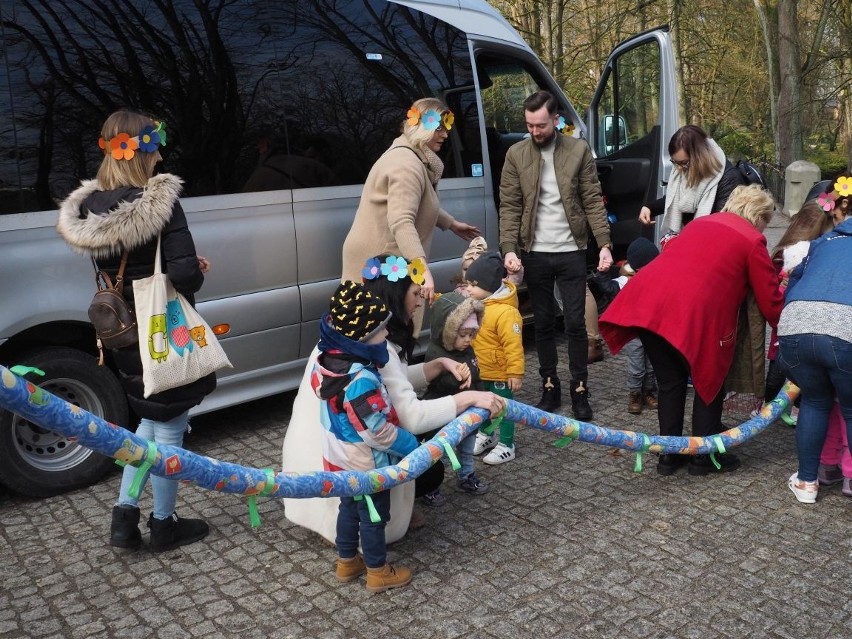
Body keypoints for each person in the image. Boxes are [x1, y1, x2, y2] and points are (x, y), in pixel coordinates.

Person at [57, 109, 214, 551]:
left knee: (149, 419)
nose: (160, 153)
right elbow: (184, 277)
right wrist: (194, 269)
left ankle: (124, 516)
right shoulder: (159, 201)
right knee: (169, 430)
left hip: (121, 329)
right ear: (137, 150)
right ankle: (164, 523)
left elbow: (126, 266)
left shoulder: (90, 208)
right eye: (154, 144)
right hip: (163, 329)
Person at [281, 254, 503, 544]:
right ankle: (369, 545)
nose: (420, 301)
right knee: (428, 466)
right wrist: (472, 398)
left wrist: (434, 366)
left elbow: (388, 381)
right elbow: (411, 415)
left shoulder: (352, 331)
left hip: (322, 454)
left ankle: (347, 531)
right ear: (395, 296)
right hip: (349, 461)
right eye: (414, 293)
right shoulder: (377, 343)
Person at [599, 185, 783, 476]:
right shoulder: (752, 239)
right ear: (758, 215)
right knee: (709, 383)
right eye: (767, 220)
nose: (765, 227)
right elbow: (770, 298)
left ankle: (669, 457)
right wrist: (789, 326)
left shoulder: (701, 223)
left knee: (670, 383)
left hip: (650, 306)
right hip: (693, 316)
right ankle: (703, 458)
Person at [499, 90, 613, 419]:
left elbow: (593, 200)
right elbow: (509, 206)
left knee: (575, 323)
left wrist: (604, 243)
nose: (535, 131)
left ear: (555, 119)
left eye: (541, 125)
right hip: (533, 253)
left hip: (572, 252)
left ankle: (580, 388)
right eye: (529, 125)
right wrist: (509, 248)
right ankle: (550, 385)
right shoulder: (515, 155)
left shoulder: (578, 151)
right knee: (544, 323)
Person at [313, 280, 418, 592]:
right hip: (365, 462)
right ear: (363, 336)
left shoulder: (328, 362)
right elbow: (377, 433)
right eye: (381, 330)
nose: (386, 335)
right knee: (373, 515)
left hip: (340, 457)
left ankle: (347, 562)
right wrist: (410, 445)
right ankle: (377, 570)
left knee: (349, 507)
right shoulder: (360, 379)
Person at [341, 98, 480, 303]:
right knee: (385, 329)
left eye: (446, 127)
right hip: (382, 262)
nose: (445, 134)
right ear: (422, 128)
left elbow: (417, 202)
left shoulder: (412, 156)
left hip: (386, 258)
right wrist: (422, 271)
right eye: (439, 128)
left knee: (382, 330)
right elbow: (402, 220)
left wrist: (451, 224)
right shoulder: (406, 165)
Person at [780, 176, 852, 503]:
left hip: (795, 328)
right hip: (844, 333)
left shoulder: (819, 244)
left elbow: (792, 288)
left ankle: (807, 483)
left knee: (814, 401)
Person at [762, 201, 833, 423]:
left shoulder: (817, 250)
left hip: (797, 316)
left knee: (796, 366)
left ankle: (792, 407)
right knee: (781, 365)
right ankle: (770, 406)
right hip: (787, 316)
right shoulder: (788, 253)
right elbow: (771, 282)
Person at [421, 292, 489, 496]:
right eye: (462, 335)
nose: (468, 340)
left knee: (467, 449)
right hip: (445, 416)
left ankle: (466, 476)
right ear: (448, 332)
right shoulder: (436, 353)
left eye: (471, 334)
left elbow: (476, 376)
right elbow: (443, 384)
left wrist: (482, 399)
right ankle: (430, 485)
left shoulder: (468, 351)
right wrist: (459, 376)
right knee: (441, 451)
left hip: (469, 414)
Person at [461, 252, 525, 464]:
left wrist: (515, 373)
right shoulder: (478, 305)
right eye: (467, 283)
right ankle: (486, 435)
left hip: (500, 373)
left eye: (473, 284)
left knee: (504, 409)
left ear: (488, 285)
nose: (468, 288)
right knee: (483, 406)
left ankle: (507, 444)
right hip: (481, 369)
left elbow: (513, 345)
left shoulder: (506, 312)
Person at [593, 238, 661, 415]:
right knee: (637, 366)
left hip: (652, 331)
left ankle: (648, 392)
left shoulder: (657, 280)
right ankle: (635, 394)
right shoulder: (624, 282)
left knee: (652, 365)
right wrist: (603, 274)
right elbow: (608, 288)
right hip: (634, 334)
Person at [638, 124, 744, 235]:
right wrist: (650, 208)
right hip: (689, 237)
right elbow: (674, 199)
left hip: (711, 240)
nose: (678, 168)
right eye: (675, 162)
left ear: (700, 157)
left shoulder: (729, 179)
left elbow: (723, 226)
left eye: (684, 163)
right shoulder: (684, 169)